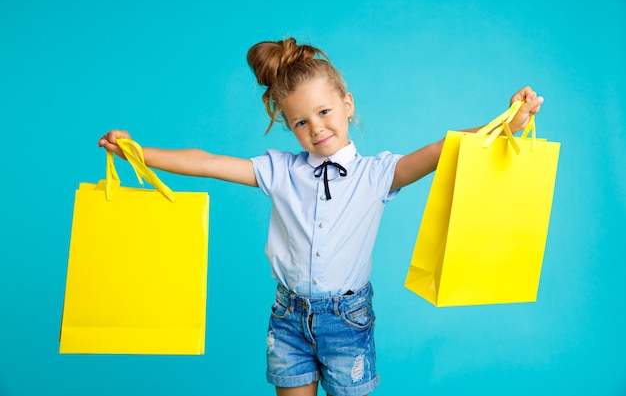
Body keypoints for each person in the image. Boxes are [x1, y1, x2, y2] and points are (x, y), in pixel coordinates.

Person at [99, 37, 544, 396]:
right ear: (287, 125)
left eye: (325, 112)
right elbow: (209, 161)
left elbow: (439, 150)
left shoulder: (377, 174)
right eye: (300, 122)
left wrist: (509, 122)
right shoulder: (280, 170)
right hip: (288, 316)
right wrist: (140, 152)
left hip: (346, 319)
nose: (316, 128)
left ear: (347, 104)